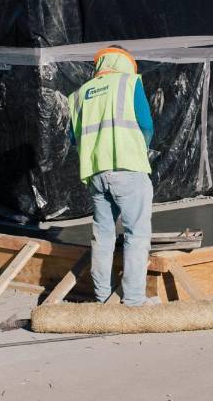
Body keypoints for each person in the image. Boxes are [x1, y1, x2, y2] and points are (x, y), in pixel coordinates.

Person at [67, 45, 156, 305]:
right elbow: (146, 124)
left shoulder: (80, 94)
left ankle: (102, 298)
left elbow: (75, 138)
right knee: (136, 234)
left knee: (103, 236)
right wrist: (141, 148)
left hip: (95, 173)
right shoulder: (128, 83)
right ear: (126, 62)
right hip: (127, 167)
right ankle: (134, 301)